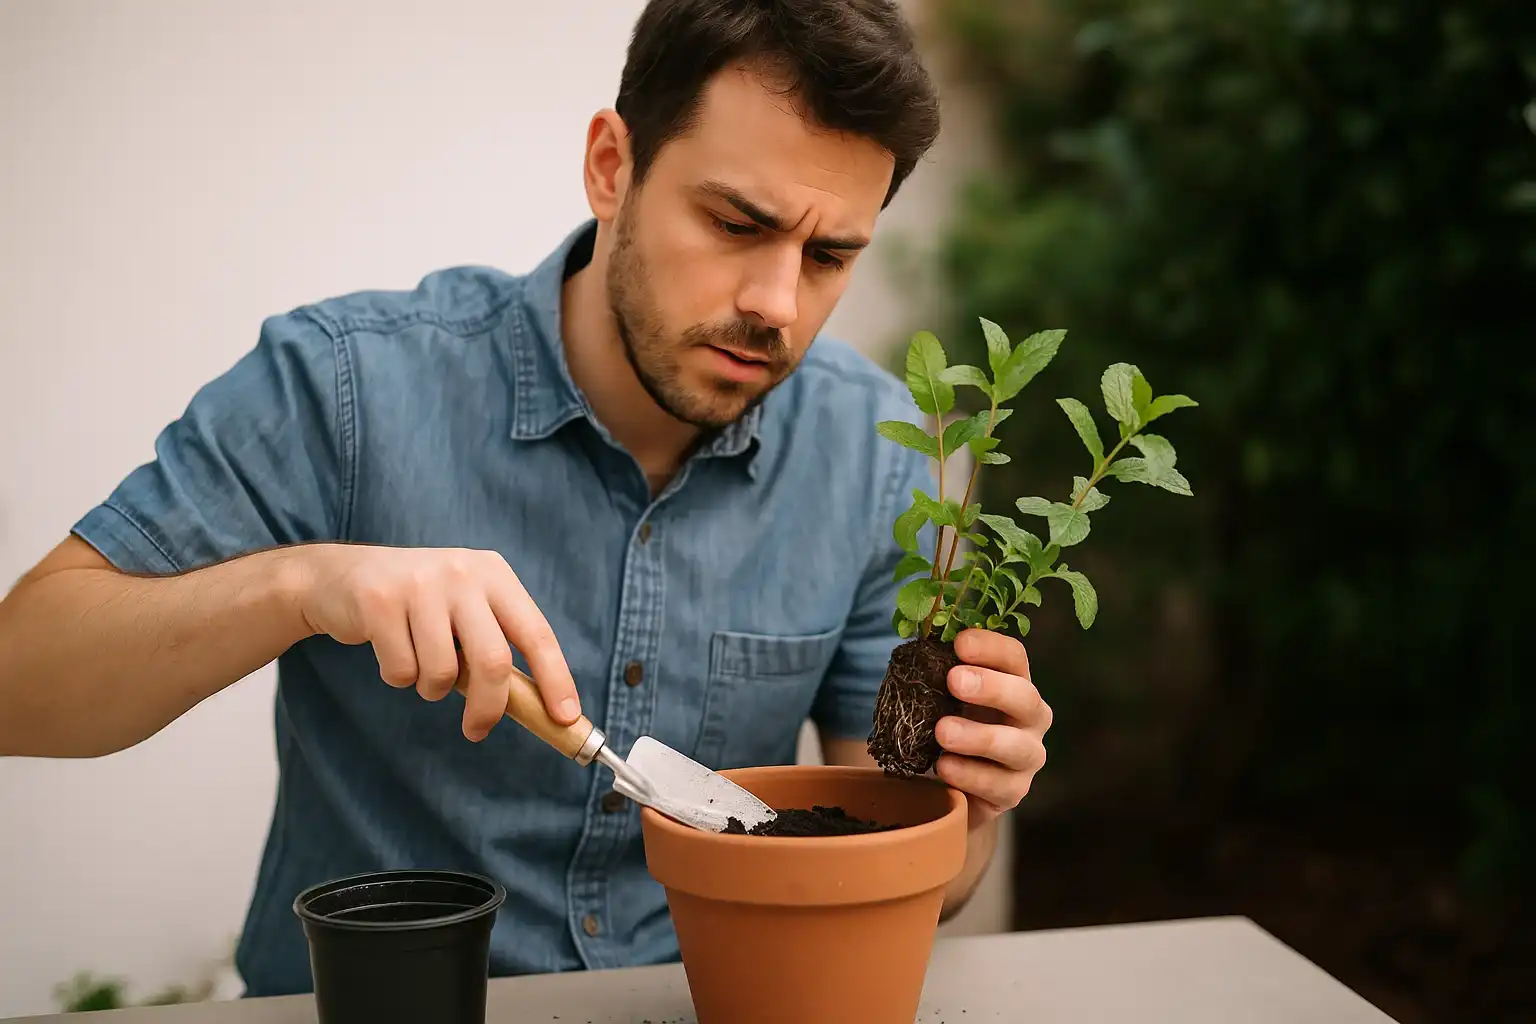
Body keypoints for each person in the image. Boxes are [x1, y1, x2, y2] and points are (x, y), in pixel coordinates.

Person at [0, 0, 1052, 998]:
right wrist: (304, 583)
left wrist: (977, 799)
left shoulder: (873, 454)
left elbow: (923, 869)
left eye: (829, 257)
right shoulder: (345, 388)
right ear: (611, 166)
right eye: (737, 223)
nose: (777, 304)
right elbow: (19, 684)